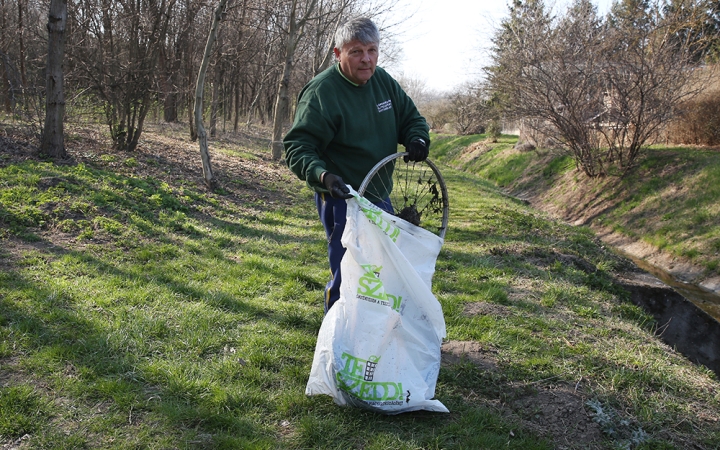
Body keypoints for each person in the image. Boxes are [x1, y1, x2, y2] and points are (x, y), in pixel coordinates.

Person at [283, 17, 430, 313]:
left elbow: (412, 119)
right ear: (338, 54)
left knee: (384, 271)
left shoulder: (383, 82)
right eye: (356, 51)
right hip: (341, 197)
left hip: (379, 193)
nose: (366, 59)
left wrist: (417, 138)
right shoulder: (322, 93)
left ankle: (375, 335)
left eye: (372, 50)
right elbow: (298, 148)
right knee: (348, 272)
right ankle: (339, 341)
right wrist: (324, 177)